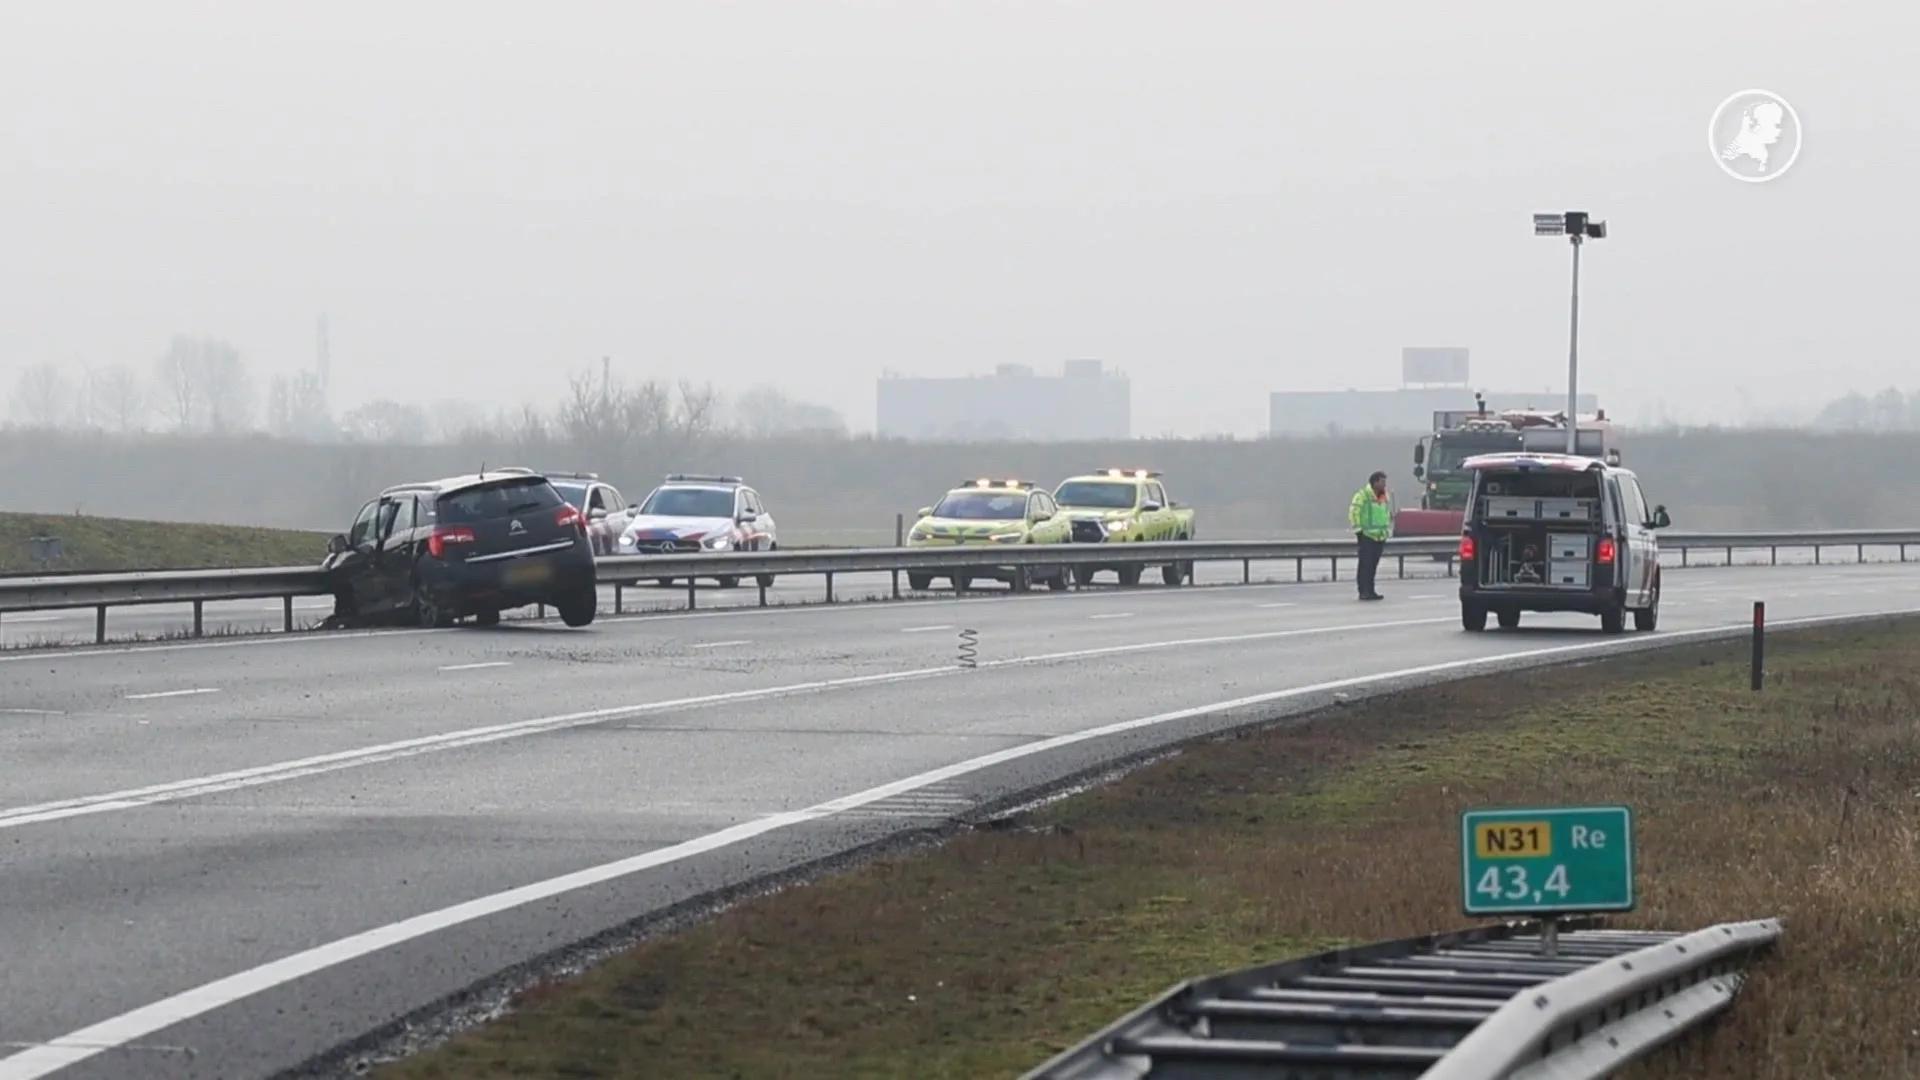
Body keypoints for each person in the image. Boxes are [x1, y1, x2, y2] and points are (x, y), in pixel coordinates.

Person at [1349, 470, 1392, 600]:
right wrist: (1358, 531)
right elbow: (1354, 512)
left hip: (1379, 536)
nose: (1385, 485)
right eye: (1382, 482)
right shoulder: (1362, 495)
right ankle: (1363, 591)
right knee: (1365, 565)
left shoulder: (1384, 496)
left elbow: (1383, 514)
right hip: (1366, 535)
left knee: (1373, 566)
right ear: (1375, 482)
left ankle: (1371, 590)